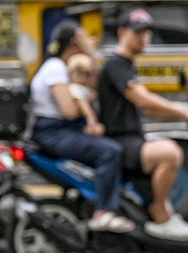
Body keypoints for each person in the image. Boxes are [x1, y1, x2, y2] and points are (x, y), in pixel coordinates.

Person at [97, 8, 188, 241]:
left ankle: (163, 212)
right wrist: (187, 114)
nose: (143, 37)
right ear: (121, 33)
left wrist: (180, 114)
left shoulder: (126, 65)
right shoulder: (116, 65)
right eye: (137, 32)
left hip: (131, 139)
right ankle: (159, 213)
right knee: (170, 153)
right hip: (121, 141)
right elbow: (143, 99)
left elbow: (147, 107)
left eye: (146, 32)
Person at [29, 21, 134, 233]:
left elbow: (95, 86)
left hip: (62, 129)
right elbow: (69, 110)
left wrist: (91, 59)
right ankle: (104, 211)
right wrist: (86, 101)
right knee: (109, 151)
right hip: (53, 132)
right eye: (85, 37)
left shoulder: (66, 67)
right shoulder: (55, 68)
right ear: (75, 40)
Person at [66, 53, 105, 137]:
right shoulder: (75, 88)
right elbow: (83, 104)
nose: (83, 78)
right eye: (79, 74)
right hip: (80, 121)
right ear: (70, 74)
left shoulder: (84, 88)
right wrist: (92, 120)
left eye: (86, 75)